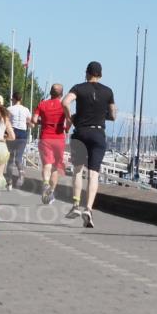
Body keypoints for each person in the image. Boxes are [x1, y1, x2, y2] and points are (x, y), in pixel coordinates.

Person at [62, 61, 116, 228]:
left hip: (81, 133)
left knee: (77, 171)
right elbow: (113, 114)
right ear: (100, 75)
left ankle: (76, 205)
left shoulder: (78, 88)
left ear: (86, 73)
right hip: (98, 133)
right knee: (93, 174)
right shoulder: (108, 92)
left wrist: (70, 118)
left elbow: (65, 102)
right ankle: (88, 209)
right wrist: (104, 115)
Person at [32, 83, 70, 204]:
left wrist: (42, 121)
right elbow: (69, 120)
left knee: (47, 164)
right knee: (56, 167)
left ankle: (45, 183)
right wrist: (67, 129)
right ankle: (51, 192)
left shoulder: (42, 104)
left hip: (45, 136)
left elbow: (33, 120)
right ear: (62, 93)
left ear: (50, 92)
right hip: (59, 137)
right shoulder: (64, 105)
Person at [5, 92, 31, 190]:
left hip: (12, 132)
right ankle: (21, 171)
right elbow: (30, 122)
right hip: (23, 133)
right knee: (19, 157)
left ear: (13, 99)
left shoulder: (9, 109)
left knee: (10, 158)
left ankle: (9, 183)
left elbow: (6, 121)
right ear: (21, 99)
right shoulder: (26, 109)